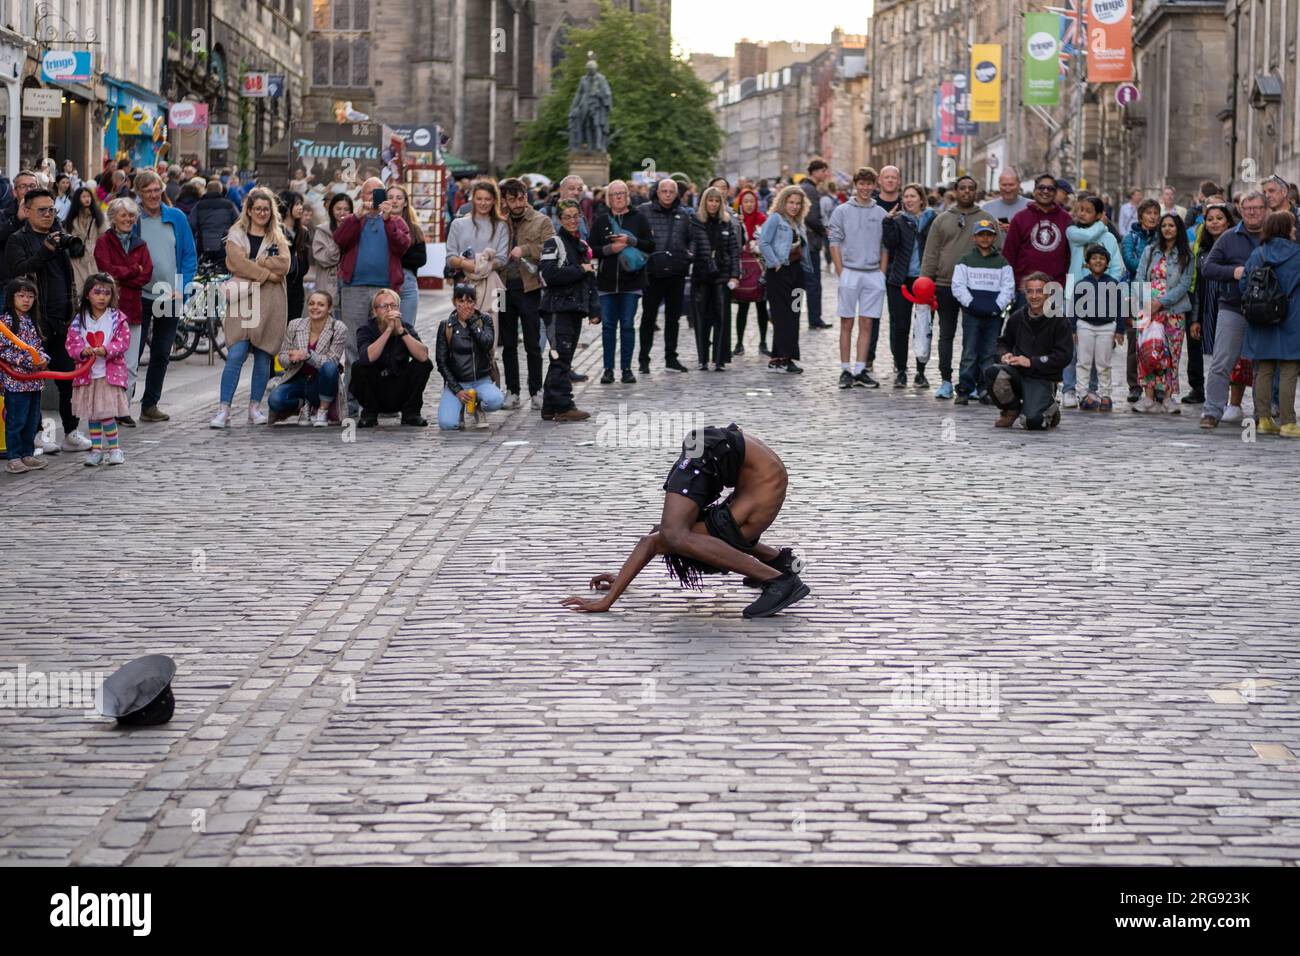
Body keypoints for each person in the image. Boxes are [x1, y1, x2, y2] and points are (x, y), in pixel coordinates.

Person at [561, 424, 810, 619]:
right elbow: (656, 539)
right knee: (676, 533)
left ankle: (779, 580)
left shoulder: (739, 527)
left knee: (674, 534)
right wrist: (621, 578)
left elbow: (654, 540)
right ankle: (778, 568)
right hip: (716, 452)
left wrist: (608, 599)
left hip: (716, 451)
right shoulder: (735, 529)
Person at [4, 187, 91, 452]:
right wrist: (45, 250)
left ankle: (71, 432)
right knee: (32, 380)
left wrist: (73, 311)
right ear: (26, 211)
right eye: (42, 210)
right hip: (33, 322)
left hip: (62, 318)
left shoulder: (59, 234)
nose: (48, 215)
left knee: (68, 377)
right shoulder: (17, 240)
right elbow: (18, 273)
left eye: (52, 209)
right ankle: (38, 433)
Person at [210, 188, 292, 428]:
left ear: (271, 211)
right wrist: (267, 273)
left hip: (270, 300)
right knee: (236, 352)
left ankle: (255, 408)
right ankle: (223, 409)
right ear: (249, 210)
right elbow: (236, 263)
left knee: (264, 354)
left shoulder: (278, 236)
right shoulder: (236, 233)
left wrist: (254, 264)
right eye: (257, 209)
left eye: (266, 209)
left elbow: (284, 265)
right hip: (242, 299)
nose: (262, 213)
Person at [334, 176, 412, 417]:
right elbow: (340, 241)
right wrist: (357, 216)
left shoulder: (397, 220)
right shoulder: (352, 220)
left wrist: (388, 220)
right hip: (354, 288)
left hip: (386, 289)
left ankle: (388, 402)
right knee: (353, 347)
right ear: (362, 196)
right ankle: (353, 403)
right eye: (369, 193)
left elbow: (402, 246)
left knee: (389, 342)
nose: (373, 198)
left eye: (379, 193)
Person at [133, 169, 197, 423]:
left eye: (156, 189)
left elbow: (189, 256)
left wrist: (184, 287)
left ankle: (150, 404)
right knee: (132, 353)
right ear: (139, 193)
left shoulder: (176, 217)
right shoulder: (133, 219)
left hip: (170, 295)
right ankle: (121, 405)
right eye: (147, 191)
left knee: (161, 352)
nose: (153, 195)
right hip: (140, 295)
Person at [1200, 191, 1266, 428]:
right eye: (1248, 208)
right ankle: (1212, 411)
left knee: (1265, 365)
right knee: (1222, 361)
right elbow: (1208, 268)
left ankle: (1264, 413)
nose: (1252, 212)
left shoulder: (1274, 235)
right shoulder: (1229, 237)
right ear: (1240, 210)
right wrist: (1233, 272)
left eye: (1257, 207)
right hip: (1233, 307)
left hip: (1267, 311)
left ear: (1265, 209)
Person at [919, 175, 983, 398]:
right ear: (956, 191)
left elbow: (997, 251)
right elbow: (931, 253)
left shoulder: (985, 219)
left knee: (972, 335)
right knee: (946, 334)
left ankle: (970, 381)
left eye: (971, 188)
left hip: (974, 287)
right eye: (962, 188)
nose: (966, 191)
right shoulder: (942, 219)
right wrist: (925, 282)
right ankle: (946, 380)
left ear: (976, 191)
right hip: (944, 285)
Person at [1238, 211, 1300, 436]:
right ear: (1285, 228)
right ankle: (1287, 422)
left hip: (1261, 318)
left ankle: (1263, 419)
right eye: (1292, 226)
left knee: (1263, 369)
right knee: (1288, 370)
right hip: (1292, 318)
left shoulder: (1258, 253)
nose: (1295, 230)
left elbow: (1243, 284)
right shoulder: (1297, 254)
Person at [985, 273, 1072, 430]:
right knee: (993, 373)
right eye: (1030, 291)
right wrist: (1004, 354)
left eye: (1039, 291)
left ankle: (1051, 408)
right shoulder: (1017, 317)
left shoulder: (1060, 320)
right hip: (1017, 373)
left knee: (1033, 422)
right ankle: (1011, 409)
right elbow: (1002, 343)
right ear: (1024, 293)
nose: (1034, 296)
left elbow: (1064, 356)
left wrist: (1032, 362)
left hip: (1042, 377)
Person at [93, 198, 152, 426]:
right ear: (113, 218)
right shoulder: (103, 242)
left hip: (133, 310)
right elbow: (106, 271)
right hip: (109, 311)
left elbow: (146, 274)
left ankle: (122, 408)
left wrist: (124, 275)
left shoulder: (140, 244)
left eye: (131, 216)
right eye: (123, 215)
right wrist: (131, 271)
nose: (128, 220)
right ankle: (106, 407)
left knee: (130, 364)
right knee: (107, 362)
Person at [828, 166, 887, 389]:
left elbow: (884, 246)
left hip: (872, 273)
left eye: (869, 184)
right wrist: (841, 271)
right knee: (846, 321)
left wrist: (881, 273)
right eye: (861, 183)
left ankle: (861, 368)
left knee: (867, 322)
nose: (865, 188)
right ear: (856, 185)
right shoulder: (842, 211)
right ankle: (845, 369)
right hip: (850, 271)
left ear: (874, 186)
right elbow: (834, 241)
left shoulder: (880, 213)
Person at [497, 177, 554, 409]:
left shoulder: (541, 220)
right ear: (505, 201)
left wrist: (527, 249)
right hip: (500, 289)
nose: (518, 204)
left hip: (529, 287)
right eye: (512, 200)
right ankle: (512, 391)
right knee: (507, 342)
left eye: (521, 198)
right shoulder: (499, 222)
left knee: (532, 342)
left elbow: (551, 248)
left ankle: (536, 390)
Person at [590, 180, 654, 384]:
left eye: (621, 193)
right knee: (608, 326)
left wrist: (630, 241)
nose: (618, 197)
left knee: (627, 325)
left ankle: (627, 368)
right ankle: (608, 369)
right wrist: (611, 250)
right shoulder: (601, 220)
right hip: (607, 282)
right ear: (608, 198)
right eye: (614, 194)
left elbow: (651, 246)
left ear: (627, 195)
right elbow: (591, 249)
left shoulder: (639, 218)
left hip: (632, 282)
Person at [538, 199, 596, 422]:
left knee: (560, 359)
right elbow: (550, 275)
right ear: (560, 219)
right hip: (556, 309)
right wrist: (579, 269)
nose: (572, 220)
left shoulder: (581, 244)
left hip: (573, 309)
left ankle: (550, 406)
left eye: (576, 216)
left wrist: (593, 309)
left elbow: (590, 280)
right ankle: (564, 406)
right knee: (561, 359)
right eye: (567, 216)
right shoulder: (554, 242)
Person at [65, 273, 131, 465]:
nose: (102, 297)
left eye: (107, 293)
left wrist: (107, 350)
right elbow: (71, 343)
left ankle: (115, 449)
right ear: (87, 295)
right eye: (97, 292)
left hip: (108, 375)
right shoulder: (79, 320)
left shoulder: (117, 318)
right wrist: (81, 351)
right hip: (87, 375)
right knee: (93, 415)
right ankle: (96, 449)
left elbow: (123, 341)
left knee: (107, 413)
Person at [1132, 213, 1193, 413]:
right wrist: (1148, 301)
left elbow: (1184, 284)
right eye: (1164, 225)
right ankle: (1148, 396)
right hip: (1148, 309)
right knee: (1148, 351)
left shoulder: (1186, 254)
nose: (1167, 229)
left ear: (1178, 229)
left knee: (1171, 354)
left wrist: (1162, 302)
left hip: (1173, 311)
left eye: (1172, 225)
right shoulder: (1150, 251)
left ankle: (1167, 396)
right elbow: (1139, 276)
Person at [951, 218, 1014, 404]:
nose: (985, 239)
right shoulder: (965, 261)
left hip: (993, 315)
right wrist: (971, 304)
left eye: (989, 235)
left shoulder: (1002, 262)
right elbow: (958, 286)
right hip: (972, 314)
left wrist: (997, 306)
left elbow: (1008, 287)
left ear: (995, 238)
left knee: (988, 352)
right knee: (969, 351)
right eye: (981, 235)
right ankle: (964, 388)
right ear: (974, 238)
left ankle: (986, 388)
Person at [350, 288, 433, 427]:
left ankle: (411, 414)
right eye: (384, 306)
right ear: (375, 311)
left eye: (393, 306)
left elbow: (424, 356)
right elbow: (367, 358)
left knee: (423, 364)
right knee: (358, 367)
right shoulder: (366, 330)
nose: (389, 310)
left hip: (400, 387)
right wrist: (388, 330)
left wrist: (401, 331)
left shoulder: (405, 327)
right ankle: (369, 414)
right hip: (376, 390)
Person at [269, 289, 347, 427]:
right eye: (311, 304)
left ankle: (322, 410)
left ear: (329, 308)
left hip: (322, 382)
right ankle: (304, 405)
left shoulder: (338, 328)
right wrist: (292, 358)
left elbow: (332, 361)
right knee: (275, 400)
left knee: (329, 368)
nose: (315, 307)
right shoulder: (295, 325)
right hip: (298, 378)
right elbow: (282, 357)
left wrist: (307, 355)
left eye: (320, 305)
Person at [1183, 202, 1235, 407]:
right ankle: (1200, 390)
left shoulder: (1234, 247)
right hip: (1206, 308)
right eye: (1210, 219)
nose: (1214, 223)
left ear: (1228, 222)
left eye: (1219, 219)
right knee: (1205, 353)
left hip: (1229, 306)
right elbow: (1197, 285)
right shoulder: (1202, 251)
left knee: (1226, 355)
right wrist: (1195, 318)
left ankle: (1228, 398)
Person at [639, 177, 693, 373]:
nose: (668, 195)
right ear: (657, 192)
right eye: (664, 191)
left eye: (672, 191)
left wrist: (688, 256)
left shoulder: (683, 214)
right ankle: (643, 359)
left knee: (673, 318)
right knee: (648, 317)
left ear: (677, 193)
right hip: (652, 273)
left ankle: (671, 358)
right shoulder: (644, 211)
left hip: (676, 273)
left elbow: (691, 239)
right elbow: (637, 237)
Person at [883, 183, 932, 388]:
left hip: (924, 281)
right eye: (906, 197)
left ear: (921, 199)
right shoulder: (898, 221)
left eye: (913, 196)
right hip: (900, 280)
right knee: (900, 326)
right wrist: (887, 222)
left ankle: (921, 372)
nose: (909, 200)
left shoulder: (932, 220)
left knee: (923, 327)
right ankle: (901, 370)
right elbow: (891, 244)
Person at [435, 282, 504, 430]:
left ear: (475, 302)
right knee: (447, 424)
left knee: (496, 401)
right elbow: (441, 362)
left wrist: (471, 322)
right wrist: (457, 389)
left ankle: (478, 405)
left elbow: (487, 343)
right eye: (461, 301)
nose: (465, 305)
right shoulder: (446, 326)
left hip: (481, 380)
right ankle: (459, 406)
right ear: (454, 302)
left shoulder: (484, 319)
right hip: (458, 382)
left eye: (470, 301)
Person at [1, 279, 51, 474]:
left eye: (30, 296)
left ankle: (27, 454)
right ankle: (14, 456)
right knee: (16, 420)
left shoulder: (33, 321)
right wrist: (27, 361)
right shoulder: (5, 322)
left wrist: (43, 359)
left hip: (35, 382)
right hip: (15, 383)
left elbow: (39, 347)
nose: (26, 300)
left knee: (31, 421)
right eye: (21, 295)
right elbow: (3, 351)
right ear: (12, 297)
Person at [689, 185, 740, 372]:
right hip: (701, 277)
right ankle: (703, 358)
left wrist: (735, 275)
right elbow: (691, 245)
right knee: (701, 320)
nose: (713, 204)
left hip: (722, 277)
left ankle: (719, 359)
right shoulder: (695, 221)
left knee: (721, 319)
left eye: (716, 201)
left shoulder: (726, 223)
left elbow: (734, 251)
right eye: (710, 200)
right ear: (705, 202)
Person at [759, 185, 809, 374]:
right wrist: (774, 263)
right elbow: (763, 242)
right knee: (782, 317)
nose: (794, 206)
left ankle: (784, 358)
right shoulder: (775, 219)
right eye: (791, 202)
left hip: (797, 275)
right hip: (779, 274)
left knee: (794, 314)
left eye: (798, 203)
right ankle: (780, 359)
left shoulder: (799, 223)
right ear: (783, 202)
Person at [1071, 244, 1126, 411]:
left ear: (1107, 263)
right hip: (1085, 326)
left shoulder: (1113, 283)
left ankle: (1105, 394)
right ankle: (1082, 394)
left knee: (1104, 363)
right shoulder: (1081, 284)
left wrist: (1120, 330)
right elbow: (1074, 307)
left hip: (1107, 327)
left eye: (1102, 258)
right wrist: (1073, 329)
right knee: (1083, 362)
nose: (1098, 261)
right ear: (1087, 262)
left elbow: (1120, 308)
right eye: (1094, 258)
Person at [798, 159, 834, 330]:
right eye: (824, 171)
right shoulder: (810, 189)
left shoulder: (804, 187)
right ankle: (814, 318)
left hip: (805, 242)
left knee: (800, 282)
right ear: (816, 172)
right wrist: (824, 230)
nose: (826, 175)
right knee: (813, 283)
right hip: (810, 243)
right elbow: (811, 218)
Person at [733, 186, 769, 356]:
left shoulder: (762, 219)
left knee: (762, 306)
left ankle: (763, 342)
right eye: (745, 201)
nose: (748, 205)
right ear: (740, 203)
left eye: (751, 201)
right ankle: (739, 343)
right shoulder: (736, 221)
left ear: (756, 203)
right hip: (744, 269)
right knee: (743, 307)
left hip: (760, 268)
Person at [385, 184, 425, 330]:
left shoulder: (414, 228)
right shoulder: (377, 224)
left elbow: (421, 259)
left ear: (405, 202)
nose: (394, 201)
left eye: (399, 198)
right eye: (390, 197)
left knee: (406, 329)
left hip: (407, 281)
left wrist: (396, 255)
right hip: (383, 280)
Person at [312, 192, 352, 313]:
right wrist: (340, 234)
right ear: (331, 210)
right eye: (338, 209)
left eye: (346, 209)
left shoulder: (355, 230)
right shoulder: (322, 231)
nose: (342, 212)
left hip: (350, 284)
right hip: (328, 284)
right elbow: (326, 259)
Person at [188, 179, 239, 273]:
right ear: (221, 190)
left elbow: (191, 224)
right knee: (222, 273)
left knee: (203, 273)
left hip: (203, 245)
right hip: (223, 246)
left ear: (207, 190)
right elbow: (239, 222)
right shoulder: (229, 205)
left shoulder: (199, 205)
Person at [65, 185, 106, 294]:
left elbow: (104, 235)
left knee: (94, 287)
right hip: (77, 257)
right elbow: (67, 237)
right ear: (78, 199)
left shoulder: (97, 216)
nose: (87, 199)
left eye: (88, 196)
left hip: (93, 256)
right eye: (83, 197)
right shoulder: (72, 219)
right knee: (80, 290)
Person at [278, 189, 311, 323]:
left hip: (297, 286)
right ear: (287, 206)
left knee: (294, 325)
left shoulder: (303, 232)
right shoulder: (276, 231)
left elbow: (305, 259)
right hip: (280, 285)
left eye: (301, 204)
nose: (300, 208)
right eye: (296, 204)